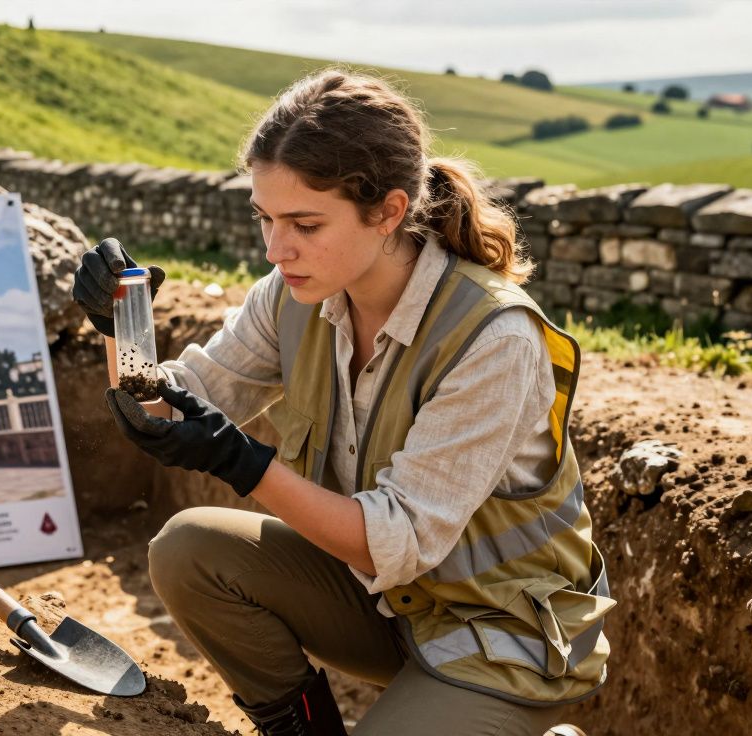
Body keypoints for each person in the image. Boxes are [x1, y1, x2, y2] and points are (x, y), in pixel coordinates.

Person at [72, 69, 613, 736]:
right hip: (388, 608)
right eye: (265, 219)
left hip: (502, 638)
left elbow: (401, 540)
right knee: (189, 551)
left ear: (388, 212)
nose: (276, 248)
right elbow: (164, 416)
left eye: (304, 223)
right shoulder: (293, 294)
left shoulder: (494, 338)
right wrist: (123, 327)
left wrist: (244, 462)